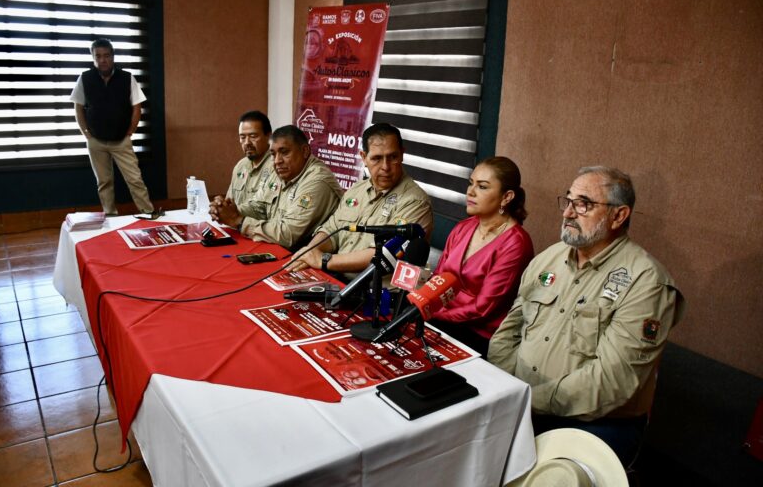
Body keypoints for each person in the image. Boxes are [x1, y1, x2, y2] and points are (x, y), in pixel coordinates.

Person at [488, 166, 685, 466]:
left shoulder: (646, 282)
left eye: (583, 204)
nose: (568, 213)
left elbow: (611, 381)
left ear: (619, 216)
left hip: (592, 423)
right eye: (567, 201)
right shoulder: (549, 258)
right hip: (519, 401)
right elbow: (510, 329)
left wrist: (527, 400)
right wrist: (505, 387)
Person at [288, 123, 433, 275]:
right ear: (363, 157)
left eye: (393, 157)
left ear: (402, 154)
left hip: (376, 293)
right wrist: (310, 252)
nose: (386, 166)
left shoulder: (416, 201)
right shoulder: (356, 190)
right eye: (377, 158)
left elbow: (384, 255)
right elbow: (332, 231)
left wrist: (324, 260)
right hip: (336, 280)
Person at [428, 157, 534, 357]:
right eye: (471, 183)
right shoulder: (463, 227)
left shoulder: (516, 243)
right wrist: (422, 304)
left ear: (507, 197)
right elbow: (438, 279)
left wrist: (434, 314)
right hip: (441, 321)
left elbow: (483, 309)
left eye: (482, 187)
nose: (471, 191)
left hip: (479, 336)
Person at [209, 125, 341, 250]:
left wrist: (239, 221)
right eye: (273, 154)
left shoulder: (317, 181)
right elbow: (258, 207)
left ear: (305, 151)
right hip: (277, 249)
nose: (277, 160)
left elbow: (288, 234)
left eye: (284, 152)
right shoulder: (281, 171)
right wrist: (229, 210)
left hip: (304, 259)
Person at [70, 38, 153, 215]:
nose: (103, 60)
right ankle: (110, 215)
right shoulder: (85, 78)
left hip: (121, 140)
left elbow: (137, 106)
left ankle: (148, 213)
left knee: (135, 179)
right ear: (93, 58)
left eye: (106, 55)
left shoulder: (126, 78)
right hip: (96, 141)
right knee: (104, 182)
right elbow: (78, 108)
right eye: (98, 56)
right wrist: (86, 134)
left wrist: (130, 132)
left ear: (112, 56)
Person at [218, 110, 274, 210]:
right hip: (233, 224)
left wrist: (234, 214)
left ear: (268, 136)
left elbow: (264, 210)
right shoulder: (240, 165)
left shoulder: (277, 166)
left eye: (253, 136)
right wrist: (220, 205)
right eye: (242, 137)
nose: (247, 142)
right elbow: (230, 201)